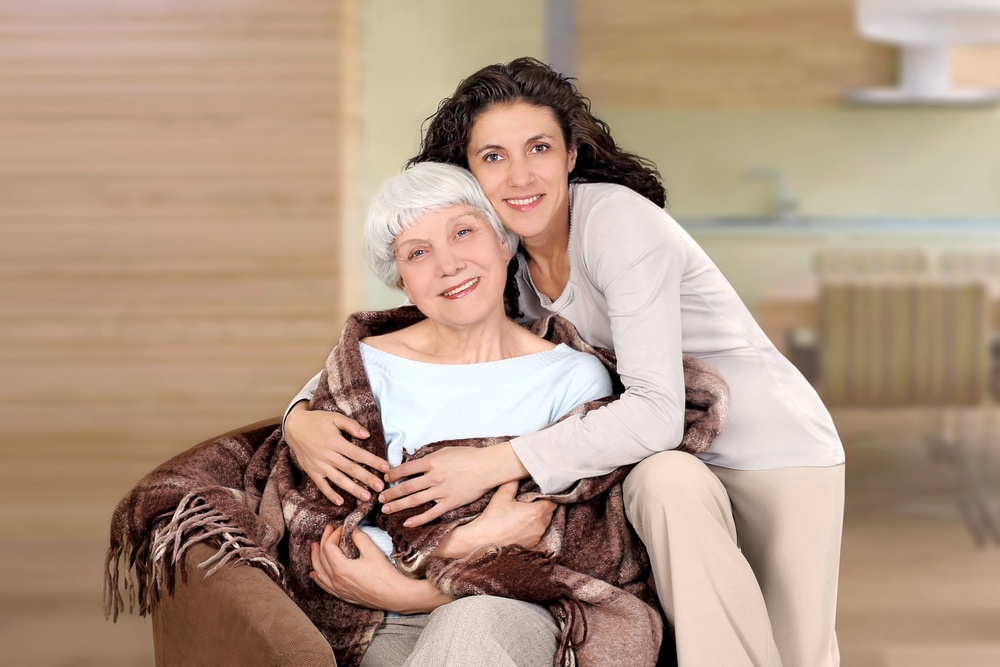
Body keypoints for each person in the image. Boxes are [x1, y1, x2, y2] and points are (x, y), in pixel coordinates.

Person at [286, 58, 845, 667]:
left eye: (539, 148)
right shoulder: (511, 261)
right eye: (493, 157)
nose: (520, 174)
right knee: (667, 496)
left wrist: (487, 466)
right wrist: (298, 415)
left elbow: (656, 411)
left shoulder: (616, 224)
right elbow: (394, 351)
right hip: (662, 460)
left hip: (765, 451)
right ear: (469, 174)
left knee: (795, 651)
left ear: (570, 156)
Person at [305, 160, 647, 667]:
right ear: (401, 279)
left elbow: (564, 542)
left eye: (463, 232)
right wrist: (472, 540)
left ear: (504, 241)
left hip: (512, 611)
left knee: (470, 626)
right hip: (369, 616)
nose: (448, 265)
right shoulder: (368, 365)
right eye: (417, 253)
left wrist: (417, 592)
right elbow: (330, 528)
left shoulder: (574, 379)